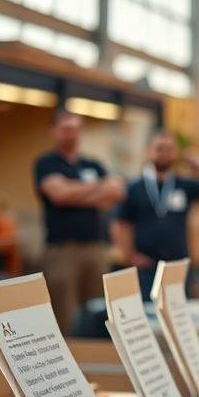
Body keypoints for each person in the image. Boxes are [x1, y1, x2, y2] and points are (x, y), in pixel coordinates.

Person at [111, 131, 199, 300]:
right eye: (159, 148)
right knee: (148, 316)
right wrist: (130, 255)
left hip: (178, 268)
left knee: (178, 315)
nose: (164, 154)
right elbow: (117, 223)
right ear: (149, 151)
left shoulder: (183, 185)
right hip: (146, 267)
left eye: (169, 149)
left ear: (175, 153)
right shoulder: (135, 188)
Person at [34, 111, 125, 335]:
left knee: (96, 312)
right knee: (64, 313)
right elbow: (59, 195)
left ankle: (92, 357)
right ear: (54, 131)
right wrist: (97, 190)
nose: (71, 134)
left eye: (75, 129)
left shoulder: (92, 163)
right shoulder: (46, 163)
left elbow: (117, 191)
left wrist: (73, 191)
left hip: (95, 249)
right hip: (63, 250)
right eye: (65, 129)